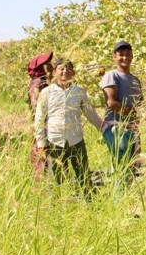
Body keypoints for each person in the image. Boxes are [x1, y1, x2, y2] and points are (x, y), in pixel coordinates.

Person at [34, 58, 103, 195]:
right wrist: (41, 143)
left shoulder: (79, 92)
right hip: (55, 141)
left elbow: (91, 114)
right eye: (61, 68)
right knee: (56, 178)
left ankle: (88, 202)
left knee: (83, 174)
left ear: (73, 72)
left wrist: (104, 129)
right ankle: (55, 204)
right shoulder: (47, 92)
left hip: (76, 140)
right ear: (55, 72)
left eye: (68, 68)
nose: (65, 71)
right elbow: (39, 119)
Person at [100, 41, 143, 171]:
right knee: (121, 166)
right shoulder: (112, 75)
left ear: (132, 56)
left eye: (128, 54)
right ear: (115, 56)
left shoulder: (135, 79)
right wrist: (131, 113)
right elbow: (111, 103)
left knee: (134, 164)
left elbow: (140, 104)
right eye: (121, 54)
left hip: (132, 127)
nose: (125, 57)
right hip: (116, 126)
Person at [26, 51, 53, 180]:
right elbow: (40, 108)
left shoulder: (34, 81)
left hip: (39, 124)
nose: (50, 65)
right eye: (46, 63)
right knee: (43, 154)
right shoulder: (41, 83)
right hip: (44, 125)